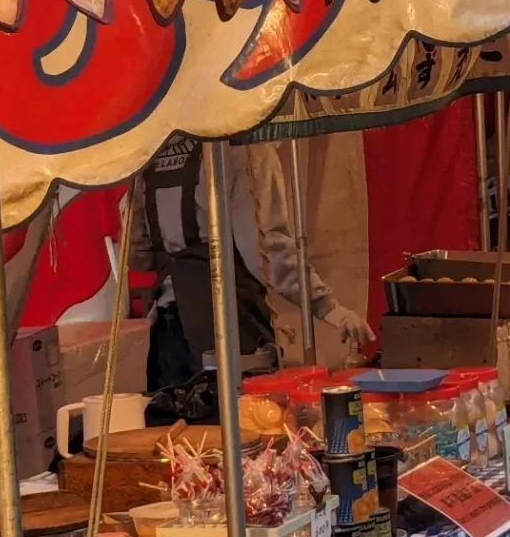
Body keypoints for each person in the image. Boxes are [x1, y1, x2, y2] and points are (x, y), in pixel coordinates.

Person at [130, 136, 375, 390]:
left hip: (167, 333)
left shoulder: (149, 153)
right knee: (247, 423)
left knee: (174, 427)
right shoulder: (242, 148)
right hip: (228, 327)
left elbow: (138, 255)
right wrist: (328, 307)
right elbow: (267, 253)